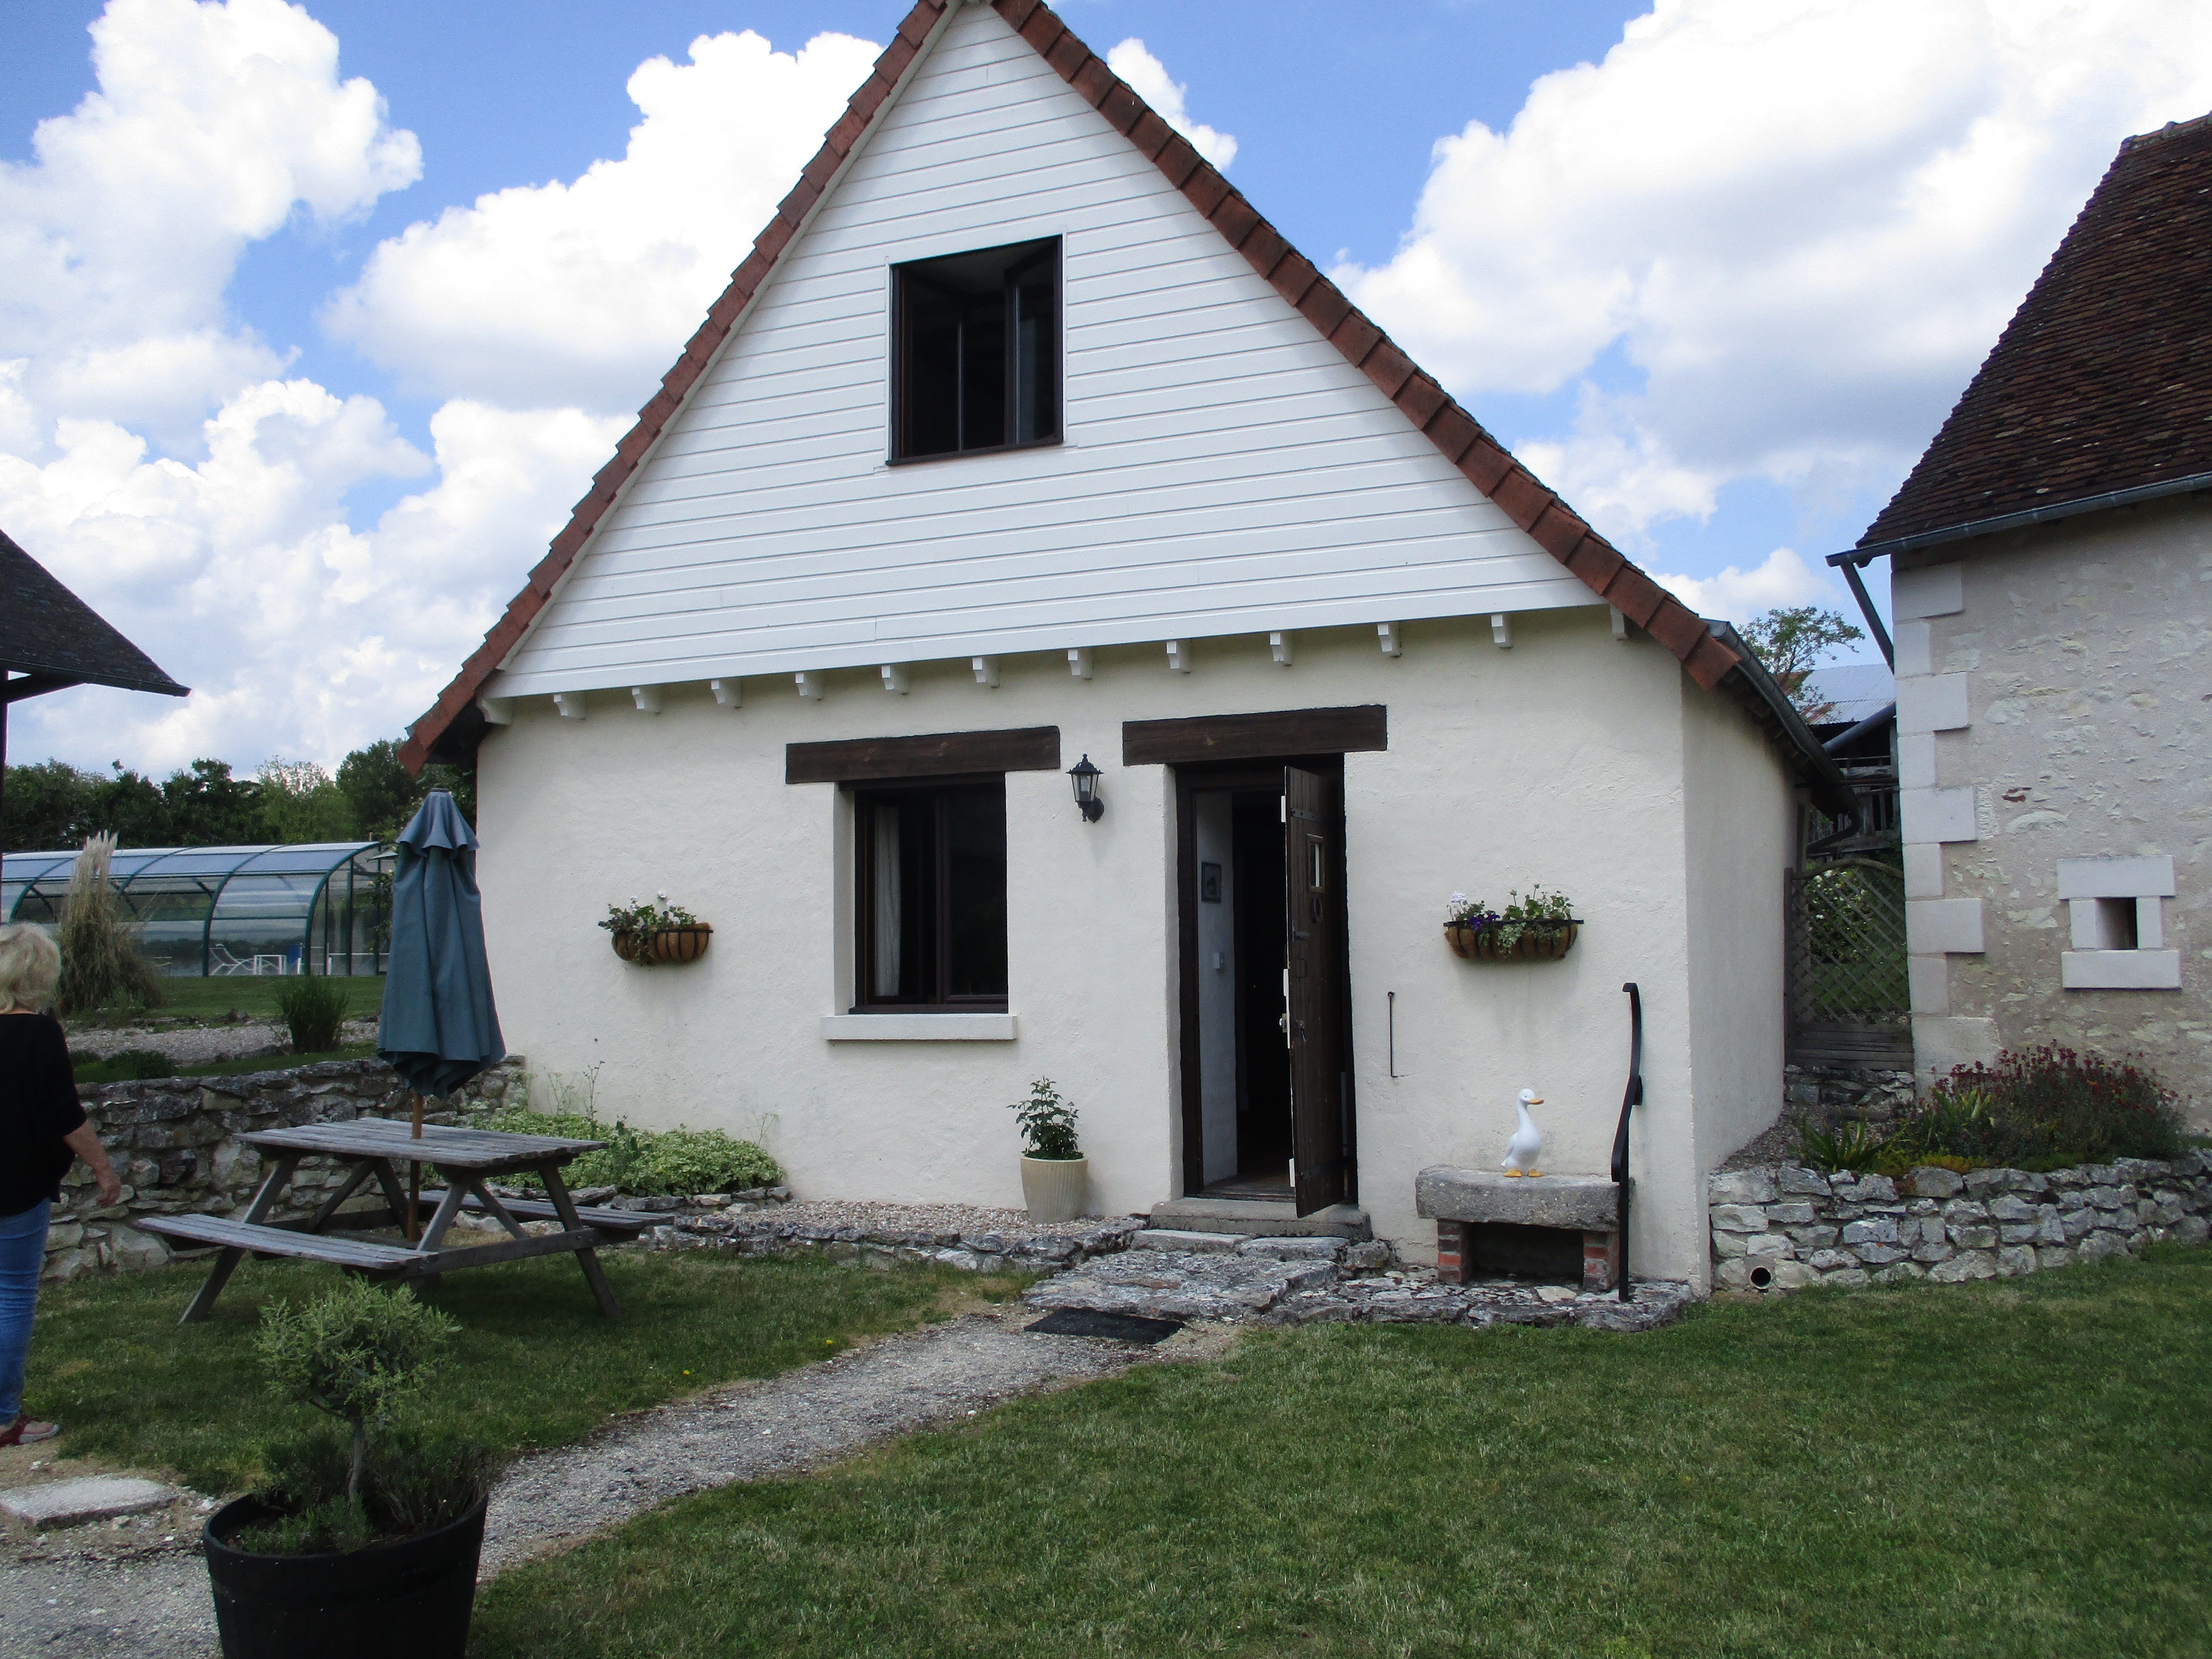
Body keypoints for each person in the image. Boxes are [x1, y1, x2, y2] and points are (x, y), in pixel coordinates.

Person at [1, 924, 122, 1447]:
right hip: (20, 1181)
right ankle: (5, 1416)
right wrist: (102, 1167)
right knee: (11, 1295)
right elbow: (67, 1116)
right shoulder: (42, 1034)